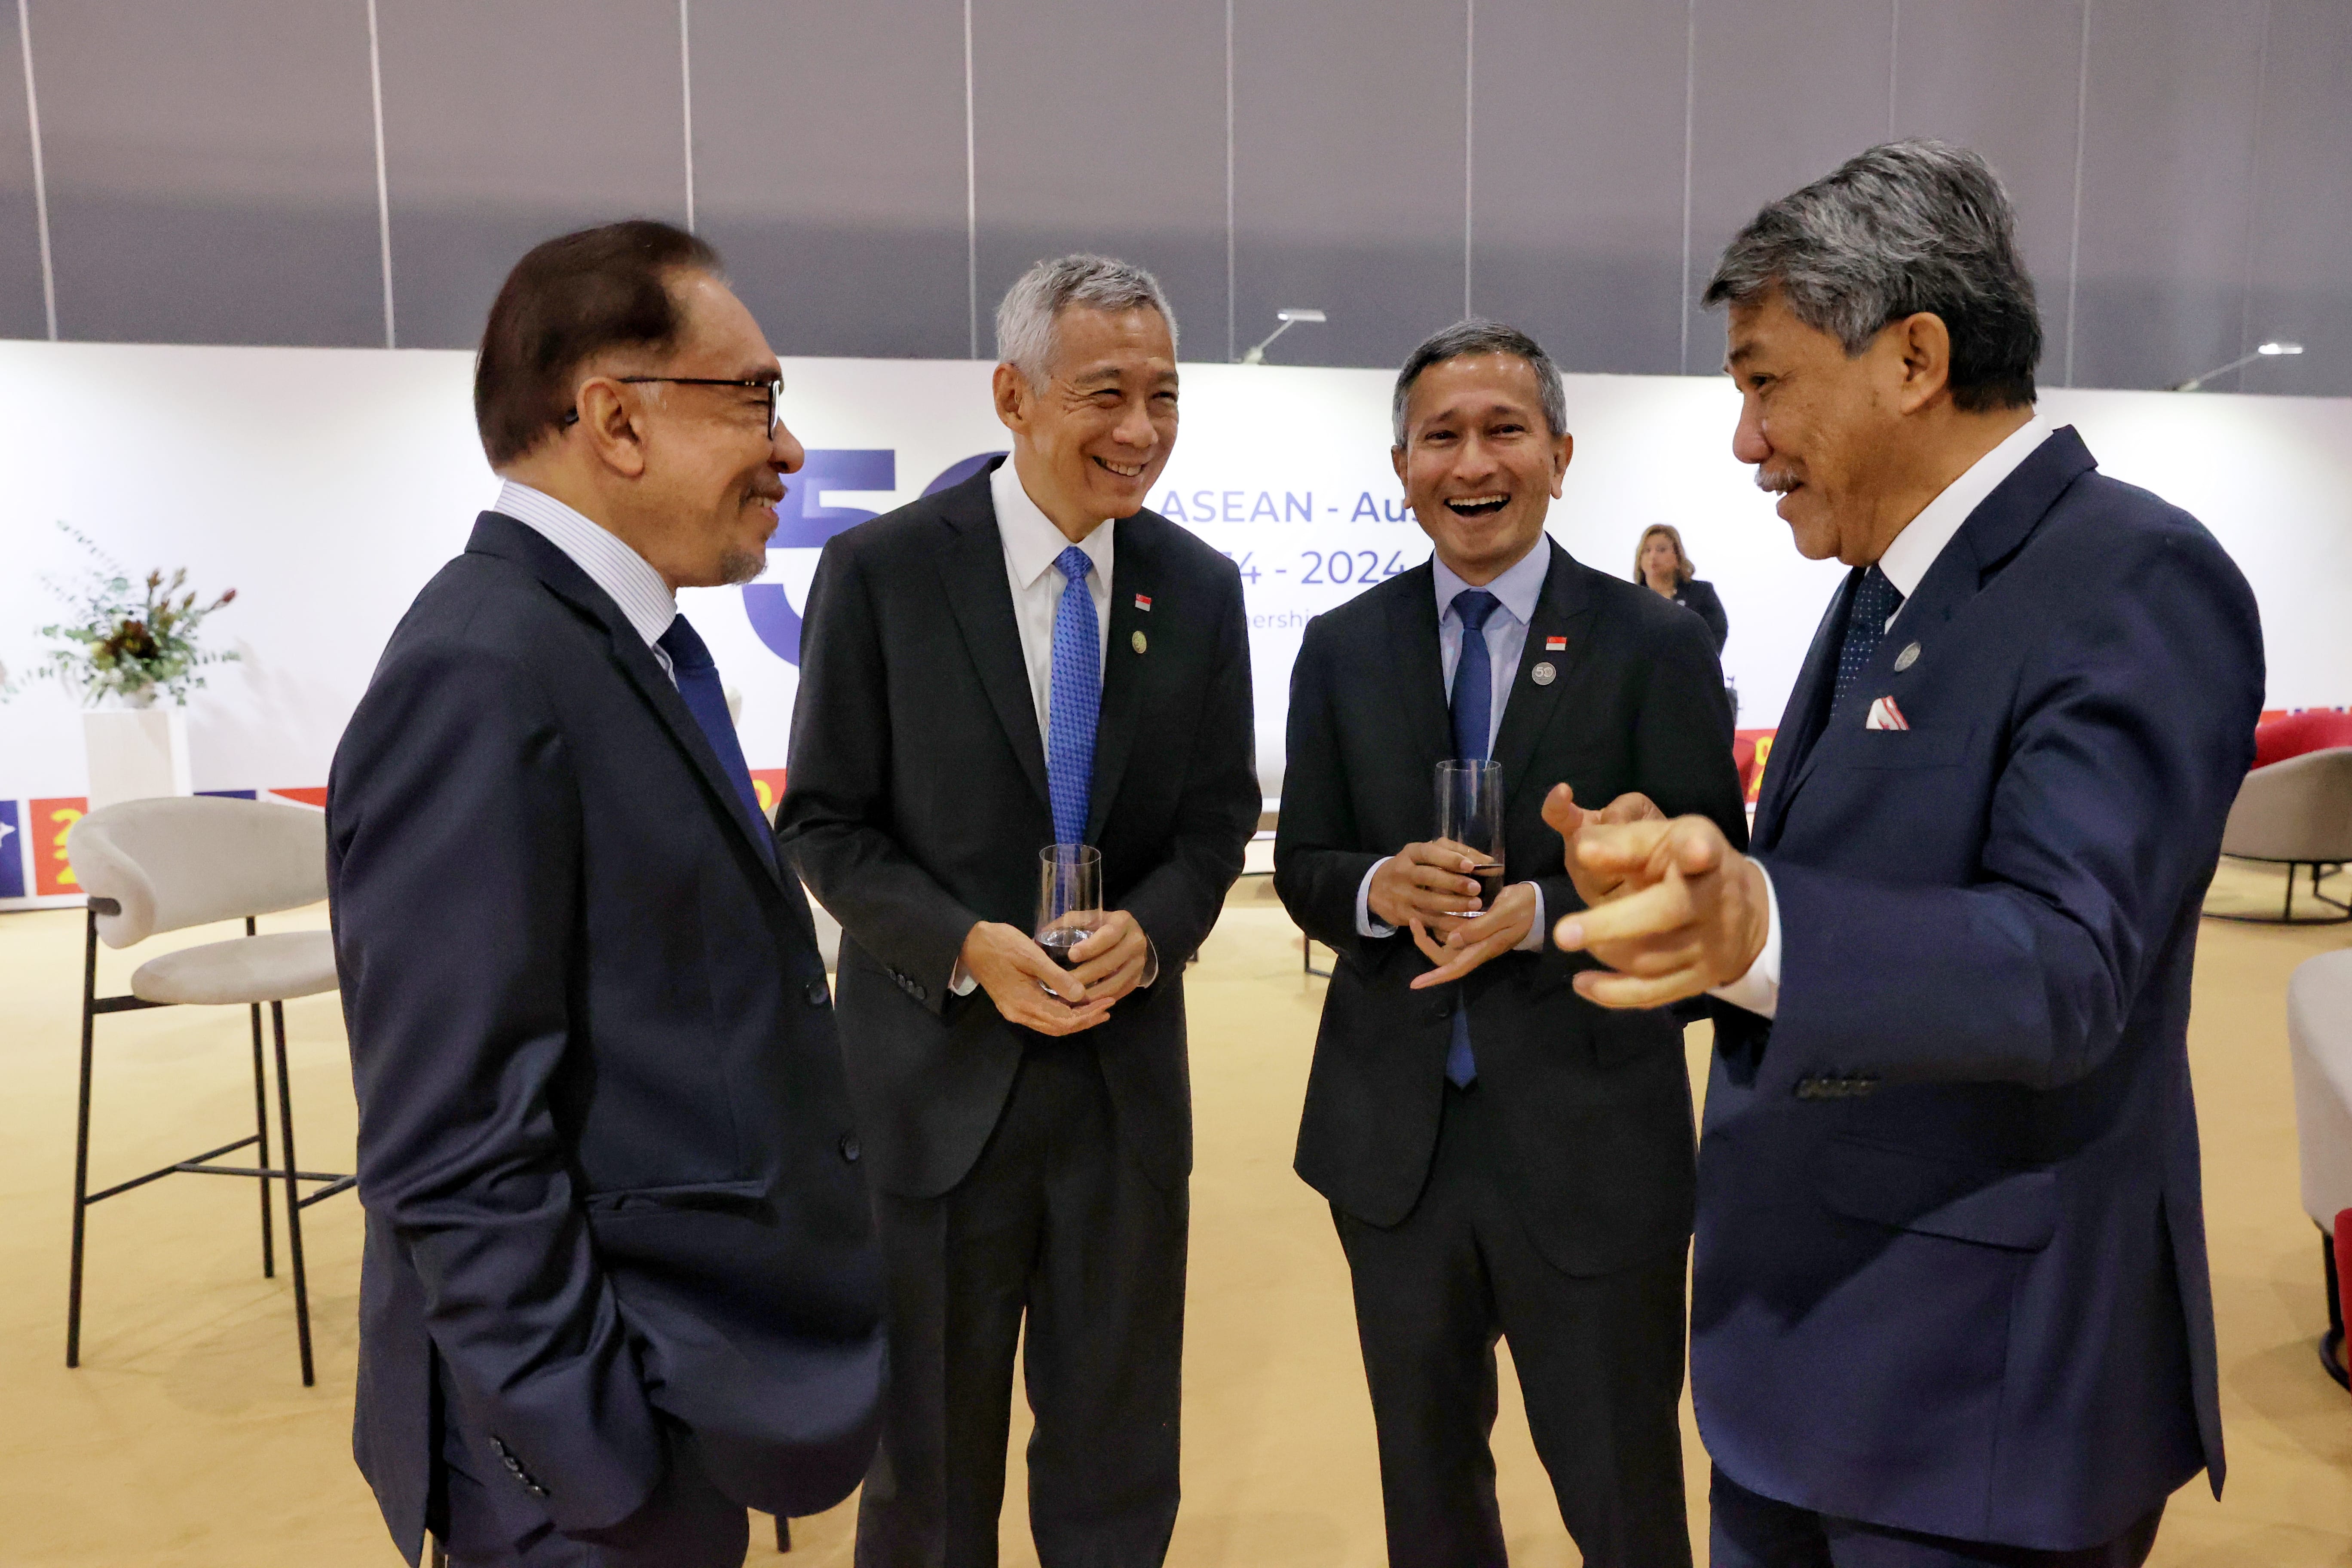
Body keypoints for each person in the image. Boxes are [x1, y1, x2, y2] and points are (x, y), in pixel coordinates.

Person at [1549, 141, 2264, 1565]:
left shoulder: (2130, 575)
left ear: (1914, 357)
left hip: (1973, 1411)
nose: (1744, 439)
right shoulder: (1879, 581)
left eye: (1764, 380)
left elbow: (2066, 961)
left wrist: (1759, 925)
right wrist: (1697, 905)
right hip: (1799, 1368)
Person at [328, 220, 886, 1568]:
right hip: (581, 1473)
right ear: (615, 421)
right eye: (753, 396)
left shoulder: (613, 648)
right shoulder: (483, 674)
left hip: (677, 1390)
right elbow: (451, 1143)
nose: (789, 447)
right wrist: (588, 1458)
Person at [777, 255, 1258, 1567]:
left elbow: (1220, 820)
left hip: (1121, 1100)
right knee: (926, 1477)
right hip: (933, 1097)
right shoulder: (882, 575)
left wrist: (1155, 929)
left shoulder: (1199, 591)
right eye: (1108, 393)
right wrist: (964, 946)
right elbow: (822, 820)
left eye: (1165, 396)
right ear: (1013, 394)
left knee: (1115, 1466)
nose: (1143, 432)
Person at [1274, 320, 1748, 1567]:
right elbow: (1304, 864)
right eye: (1442, 436)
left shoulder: (1655, 645)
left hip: (1593, 1147)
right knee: (1427, 1496)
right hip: (1395, 1152)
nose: (1472, 461)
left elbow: (1715, 899)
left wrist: (1545, 911)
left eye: (1504, 430)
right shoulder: (1340, 647)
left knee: (1624, 1493)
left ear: (1560, 454)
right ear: (1402, 463)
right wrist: (1380, 882)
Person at [1634, 524, 1728, 653]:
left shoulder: (1701, 593)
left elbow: (1717, 633)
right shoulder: (1632, 599)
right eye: (1647, 550)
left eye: (1661, 550)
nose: (1653, 556)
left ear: (1678, 557)